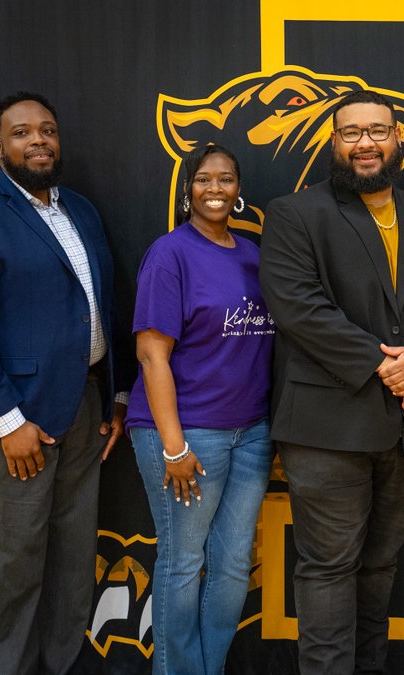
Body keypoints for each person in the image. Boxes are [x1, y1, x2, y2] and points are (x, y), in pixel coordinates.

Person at [258, 89, 404, 674]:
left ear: (399, 138)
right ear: (334, 143)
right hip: (327, 428)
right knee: (328, 568)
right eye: (351, 133)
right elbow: (300, 308)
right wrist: (390, 366)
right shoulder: (295, 214)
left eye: (377, 131)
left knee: (379, 569)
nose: (365, 143)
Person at [0, 91, 129, 675]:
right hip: (13, 424)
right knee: (7, 566)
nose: (37, 140)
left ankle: (60, 667)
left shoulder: (82, 212)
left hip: (83, 409)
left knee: (71, 563)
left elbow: (103, 306)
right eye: (21, 133)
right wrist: (9, 423)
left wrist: (116, 394)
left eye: (47, 129)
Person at [123, 144, 275, 675]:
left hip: (252, 431)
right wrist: (175, 445)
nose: (216, 189)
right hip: (188, 434)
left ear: (239, 190)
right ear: (188, 189)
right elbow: (150, 353)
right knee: (184, 563)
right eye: (205, 179)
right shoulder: (171, 253)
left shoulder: (255, 254)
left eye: (226, 179)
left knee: (233, 567)